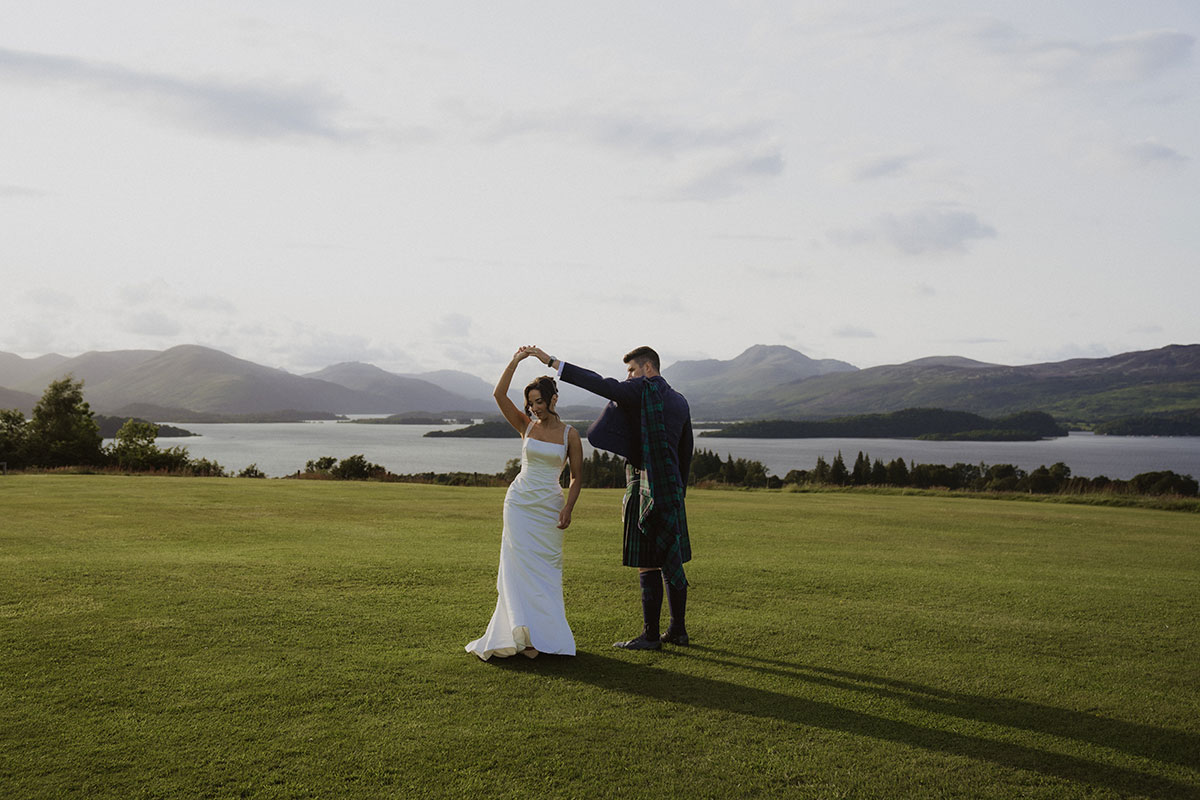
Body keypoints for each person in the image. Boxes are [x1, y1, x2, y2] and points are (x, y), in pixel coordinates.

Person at [527, 345, 692, 651]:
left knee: (647, 562)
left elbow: (600, 383)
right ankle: (678, 630)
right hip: (670, 488)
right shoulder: (680, 401)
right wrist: (678, 490)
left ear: (646, 369)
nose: (626, 377)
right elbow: (686, 451)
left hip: (644, 484)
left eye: (630, 370)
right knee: (671, 560)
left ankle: (651, 635)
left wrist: (553, 363)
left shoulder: (640, 390)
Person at [466, 347, 583, 661]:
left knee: (545, 572)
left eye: (539, 402)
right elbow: (498, 394)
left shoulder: (570, 435)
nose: (534, 409)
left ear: (552, 399)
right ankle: (523, 637)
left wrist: (568, 508)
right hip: (519, 504)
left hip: (549, 509)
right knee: (516, 571)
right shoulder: (526, 426)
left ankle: (544, 634)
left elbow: (576, 478)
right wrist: (516, 361)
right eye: (530, 403)